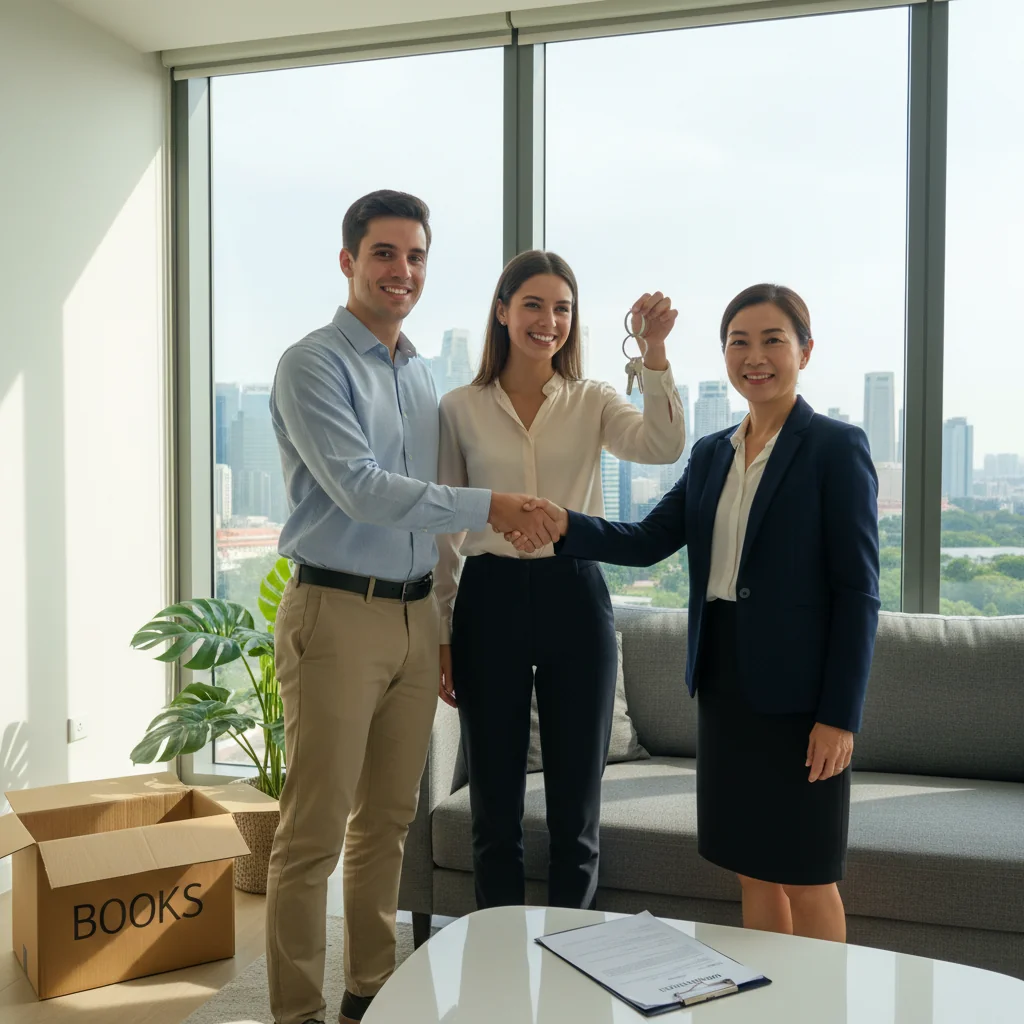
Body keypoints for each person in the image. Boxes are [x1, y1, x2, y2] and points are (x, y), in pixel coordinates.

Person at [265, 191, 561, 1024]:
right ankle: (294, 1011)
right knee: (314, 831)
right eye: (386, 254)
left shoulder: (422, 372)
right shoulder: (313, 362)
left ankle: (368, 992)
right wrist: (491, 506)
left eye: (417, 256)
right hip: (336, 612)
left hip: (411, 616)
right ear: (349, 261)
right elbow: (360, 490)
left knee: (388, 822)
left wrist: (442, 619)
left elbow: (427, 519)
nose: (403, 272)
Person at [513, 283, 880, 941]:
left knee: (808, 871)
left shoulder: (835, 448)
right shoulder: (713, 453)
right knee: (751, 867)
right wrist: (566, 523)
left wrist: (839, 716)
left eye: (773, 340)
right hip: (724, 683)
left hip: (801, 698)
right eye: (739, 342)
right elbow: (650, 538)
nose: (755, 356)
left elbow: (858, 594)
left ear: (806, 351)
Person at [435, 249, 686, 912]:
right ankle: (499, 968)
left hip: (574, 594)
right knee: (495, 812)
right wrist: (440, 631)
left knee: (577, 811)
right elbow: (442, 529)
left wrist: (655, 356)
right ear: (502, 310)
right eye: (534, 305)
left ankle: (573, 965)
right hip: (487, 598)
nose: (549, 321)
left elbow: (661, 447)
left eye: (563, 309)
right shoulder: (459, 408)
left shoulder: (594, 399)